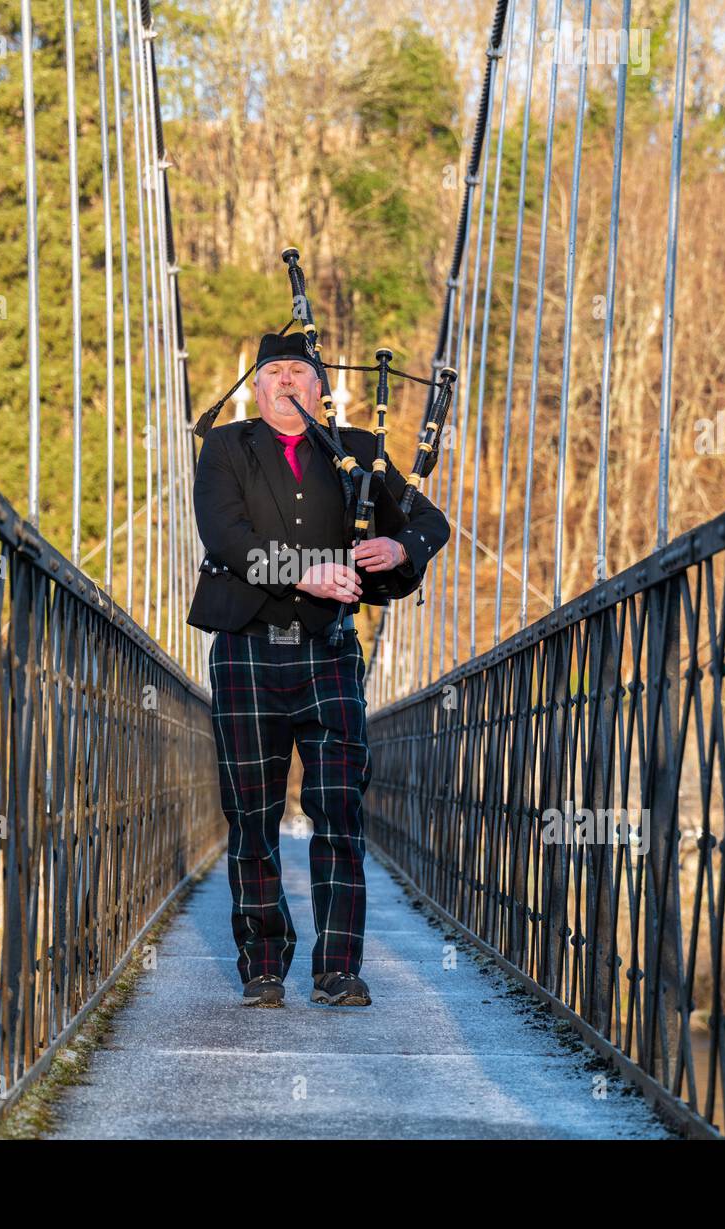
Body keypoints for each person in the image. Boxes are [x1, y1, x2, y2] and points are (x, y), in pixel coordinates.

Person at [187, 330, 450, 1007]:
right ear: (254, 386)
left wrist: (399, 546)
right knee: (253, 814)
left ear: (319, 389)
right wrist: (308, 571)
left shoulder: (355, 451)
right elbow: (229, 542)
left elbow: (431, 523)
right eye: (272, 372)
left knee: (339, 809)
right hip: (247, 646)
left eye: (299, 374)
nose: (285, 383)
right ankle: (263, 964)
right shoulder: (224, 447)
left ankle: (338, 968)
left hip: (330, 649)